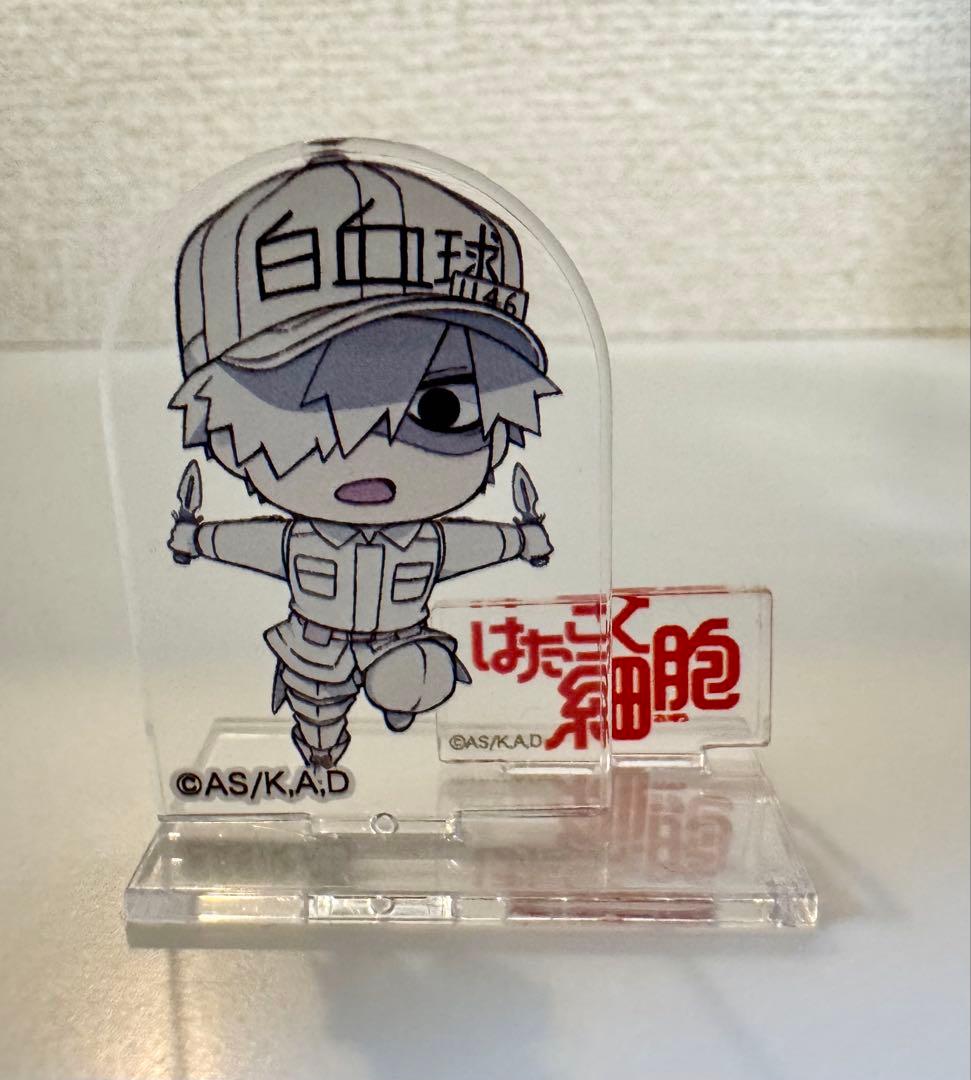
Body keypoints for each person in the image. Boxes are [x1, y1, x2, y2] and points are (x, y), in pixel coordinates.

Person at [168, 151, 558, 770]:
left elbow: (473, 546)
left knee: (418, 685)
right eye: (314, 411)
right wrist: (196, 537)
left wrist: (520, 540)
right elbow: (247, 545)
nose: (373, 450)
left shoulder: (424, 543)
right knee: (317, 713)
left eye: (441, 410)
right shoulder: (302, 542)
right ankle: (321, 760)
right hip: (314, 650)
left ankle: (390, 731)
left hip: (404, 650)